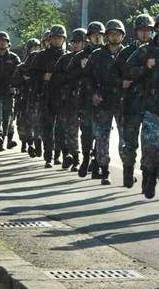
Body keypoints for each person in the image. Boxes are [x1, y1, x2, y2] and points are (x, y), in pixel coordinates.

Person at [127, 12, 159, 200]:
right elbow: (127, 70)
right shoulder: (145, 51)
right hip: (151, 107)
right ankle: (149, 176)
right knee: (152, 146)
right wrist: (145, 68)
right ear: (157, 29)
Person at [111, 14, 155, 189]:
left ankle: (147, 177)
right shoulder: (127, 52)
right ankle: (128, 172)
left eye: (148, 31)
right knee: (129, 143)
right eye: (141, 30)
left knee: (150, 143)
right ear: (136, 32)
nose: (145, 34)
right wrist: (121, 83)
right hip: (130, 103)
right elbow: (114, 74)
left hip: (152, 104)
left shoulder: (157, 50)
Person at [84, 19, 126, 185]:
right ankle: (104, 170)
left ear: (122, 36)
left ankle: (128, 169)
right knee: (102, 138)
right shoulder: (97, 55)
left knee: (126, 139)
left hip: (123, 102)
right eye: (111, 34)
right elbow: (87, 77)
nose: (114, 37)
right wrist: (93, 93)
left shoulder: (128, 53)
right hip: (103, 101)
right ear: (106, 36)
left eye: (117, 34)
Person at [68, 22, 105, 178]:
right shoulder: (80, 56)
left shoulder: (108, 53)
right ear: (88, 38)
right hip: (86, 100)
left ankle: (97, 163)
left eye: (99, 35)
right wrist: (81, 69)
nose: (97, 38)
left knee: (102, 134)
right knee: (87, 133)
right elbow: (68, 75)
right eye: (93, 36)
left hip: (105, 101)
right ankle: (85, 159)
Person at [31, 25, 67, 167]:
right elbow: (32, 74)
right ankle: (48, 156)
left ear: (64, 39)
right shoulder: (41, 56)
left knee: (62, 128)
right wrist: (43, 76)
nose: (57, 40)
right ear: (50, 39)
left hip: (63, 97)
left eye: (60, 38)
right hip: (46, 97)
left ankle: (60, 155)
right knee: (47, 128)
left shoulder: (68, 56)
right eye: (54, 38)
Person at [53, 28, 87, 169]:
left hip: (88, 100)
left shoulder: (94, 57)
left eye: (79, 42)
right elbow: (56, 77)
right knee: (69, 130)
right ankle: (74, 157)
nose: (76, 45)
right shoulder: (66, 59)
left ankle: (91, 160)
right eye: (74, 42)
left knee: (89, 133)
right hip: (70, 100)